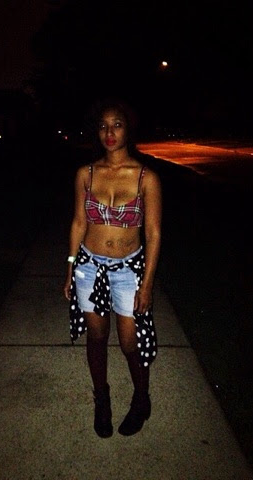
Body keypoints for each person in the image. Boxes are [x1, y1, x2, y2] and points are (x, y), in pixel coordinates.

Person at [63, 98, 162, 438]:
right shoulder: (86, 174)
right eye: (103, 125)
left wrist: (147, 285)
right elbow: (78, 223)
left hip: (128, 270)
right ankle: (102, 400)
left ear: (128, 129)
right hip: (88, 266)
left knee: (130, 342)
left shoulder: (146, 177)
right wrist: (70, 267)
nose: (109, 132)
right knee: (97, 336)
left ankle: (141, 399)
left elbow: (153, 234)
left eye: (117, 124)